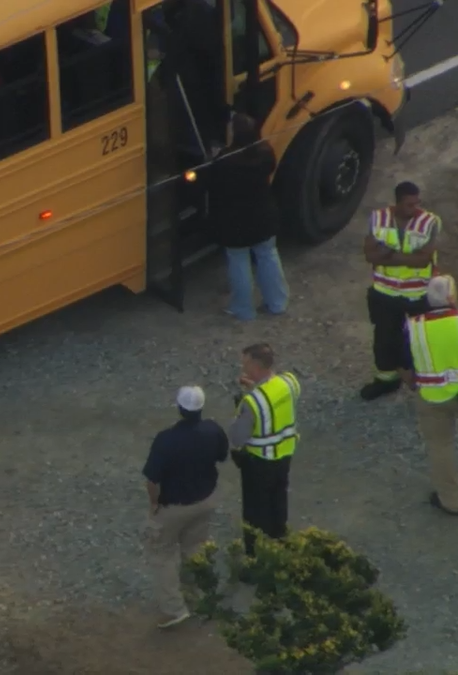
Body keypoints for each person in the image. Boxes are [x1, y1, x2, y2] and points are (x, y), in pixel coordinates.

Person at [142, 385, 229, 629]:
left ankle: (174, 609)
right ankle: (198, 596)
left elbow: (152, 480)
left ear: (180, 408)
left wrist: (154, 503)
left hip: (174, 506)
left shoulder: (166, 439)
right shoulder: (213, 430)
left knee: (161, 554)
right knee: (195, 547)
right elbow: (222, 456)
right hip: (205, 500)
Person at [202, 113, 289, 321]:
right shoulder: (266, 152)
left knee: (239, 261)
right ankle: (277, 303)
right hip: (263, 214)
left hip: (235, 220)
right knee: (268, 256)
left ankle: (243, 309)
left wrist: (212, 160)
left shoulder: (225, 161)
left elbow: (211, 183)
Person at [361, 181, 442, 401]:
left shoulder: (430, 222)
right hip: (384, 292)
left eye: (418, 203)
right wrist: (406, 258)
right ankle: (387, 380)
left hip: (417, 294)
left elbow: (422, 260)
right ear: (397, 203)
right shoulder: (377, 218)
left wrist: (388, 255)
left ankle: (426, 379)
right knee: (384, 340)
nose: (415, 209)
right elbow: (369, 255)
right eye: (409, 205)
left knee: (422, 340)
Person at [227, 343, 300, 557]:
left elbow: (237, 437)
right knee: (278, 500)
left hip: (259, 462)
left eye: (246, 364)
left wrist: (242, 405)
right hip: (285, 455)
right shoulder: (290, 382)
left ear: (256, 366)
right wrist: (256, 387)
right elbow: (272, 399)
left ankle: (256, 556)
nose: (243, 368)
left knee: (255, 512)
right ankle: (280, 539)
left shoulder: (252, 403)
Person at [402, 275, 458, 515]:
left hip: (432, 395)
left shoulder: (413, 327)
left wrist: (412, 383)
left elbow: (404, 363)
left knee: (441, 446)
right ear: (451, 297)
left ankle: (451, 500)